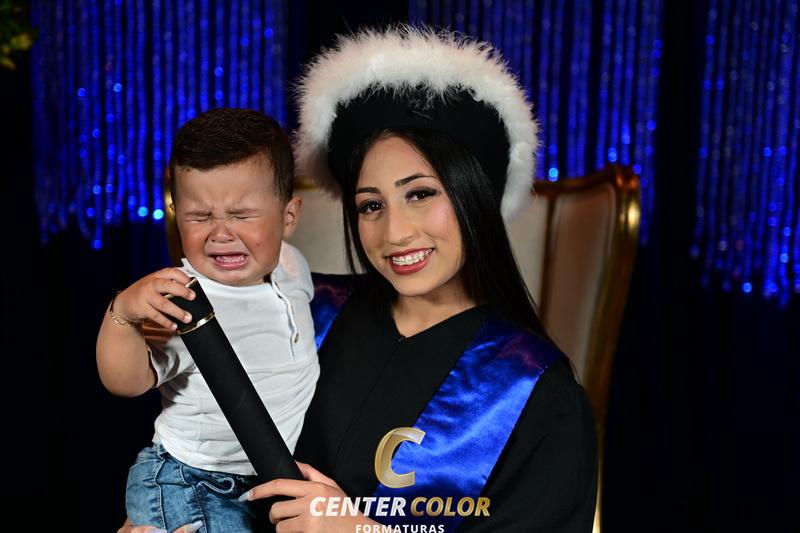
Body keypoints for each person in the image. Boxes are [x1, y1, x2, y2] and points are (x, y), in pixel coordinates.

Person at [124, 25, 597, 533]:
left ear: (472, 196)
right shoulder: (303, 311)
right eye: (371, 205)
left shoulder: (533, 391)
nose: (395, 233)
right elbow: (194, 461)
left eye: (420, 194)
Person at [97, 108, 320, 533]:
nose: (221, 233)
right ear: (175, 212)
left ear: (288, 216)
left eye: (242, 215)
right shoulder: (182, 298)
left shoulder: (293, 267)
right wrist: (123, 314)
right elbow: (126, 382)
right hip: (193, 481)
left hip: (265, 479)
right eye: (199, 217)